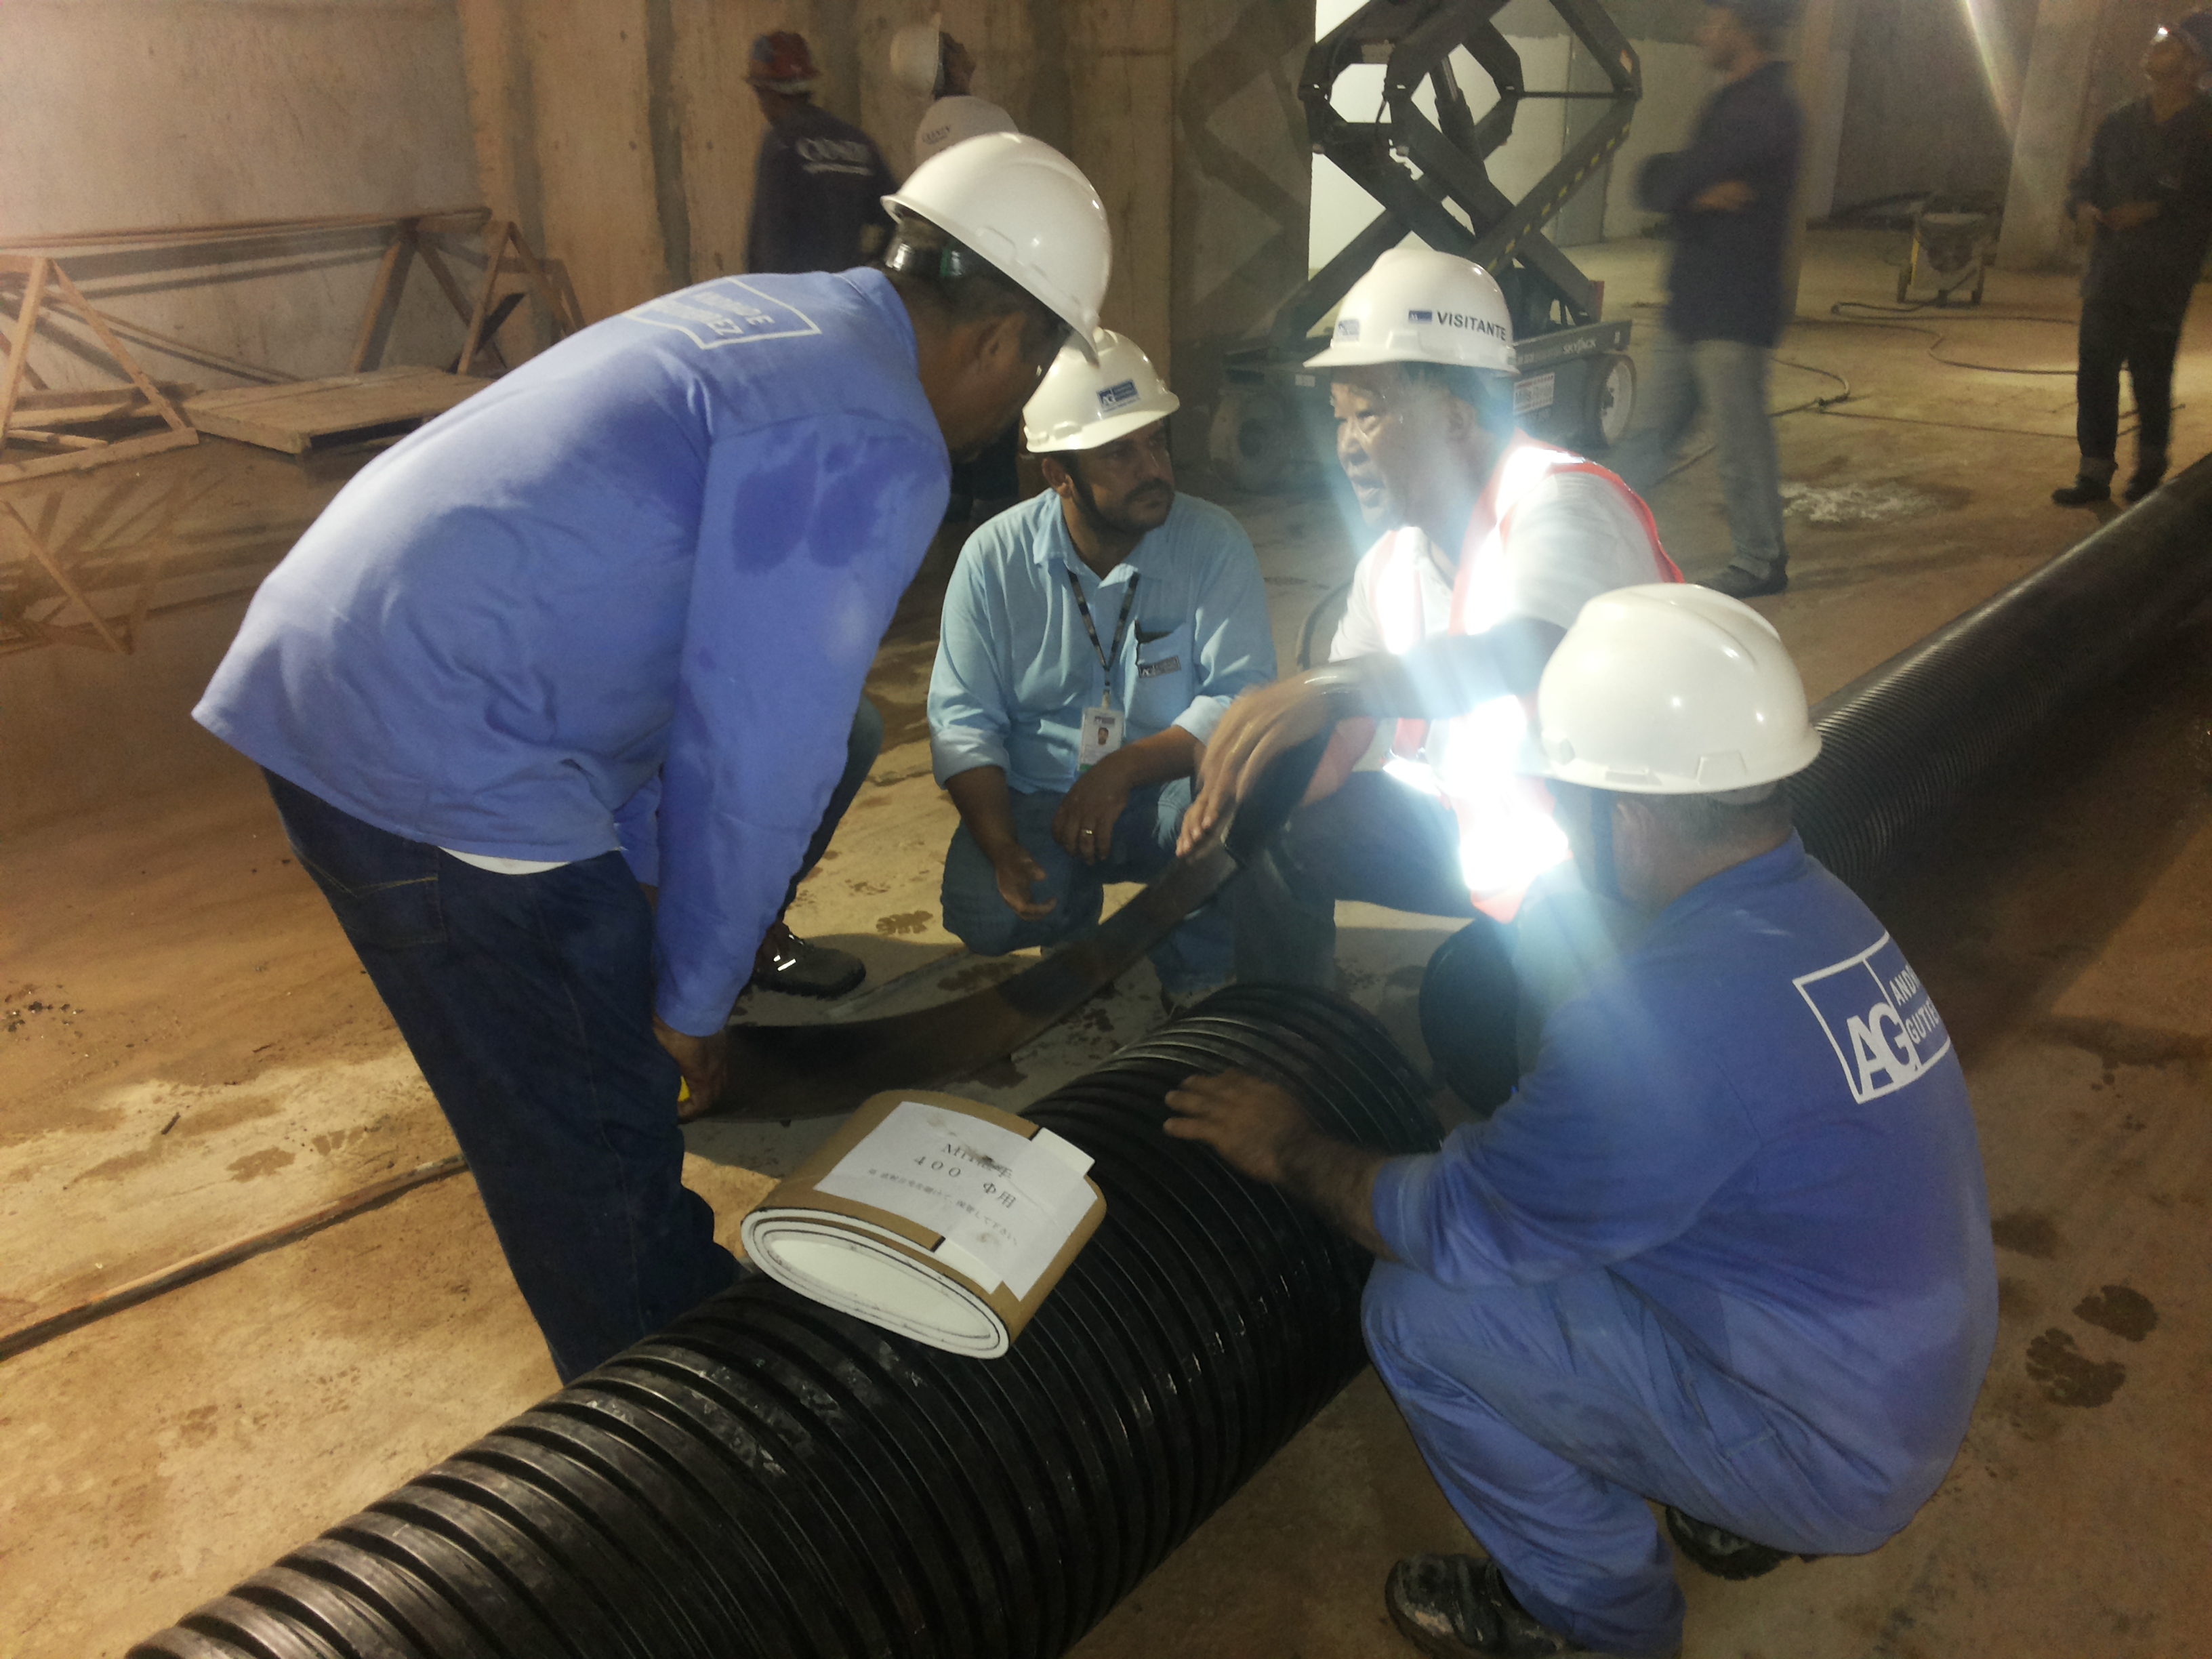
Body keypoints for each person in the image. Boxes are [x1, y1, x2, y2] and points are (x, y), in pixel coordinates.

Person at [193, 132, 1111, 1382]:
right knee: (598, 1161)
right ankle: (677, 1421)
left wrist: (644, 906)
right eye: (1033, 376)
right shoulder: (876, 430)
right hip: (442, 744)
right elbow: (755, 752)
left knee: (598, 1041)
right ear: (1006, 343)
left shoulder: (776, 315)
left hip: (347, 664)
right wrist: (689, 1002)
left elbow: (655, 655)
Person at [1166, 585, 1998, 1659]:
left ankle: (1600, 1625)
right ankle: (1725, 1501)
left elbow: (1454, 1222)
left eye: (1563, 794)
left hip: (1833, 1450)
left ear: (1630, 816)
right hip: (1894, 1381)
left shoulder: (1670, 1019)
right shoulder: (1814, 908)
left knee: (1423, 1310)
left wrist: (1286, 1143)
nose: (1554, 815)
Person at [1187, 247, 1678, 1026]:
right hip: (1481, 845)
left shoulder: (1561, 506)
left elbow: (1531, 648)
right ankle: (1288, 1042)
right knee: (1277, 829)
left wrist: (1330, 689)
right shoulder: (1391, 562)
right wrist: (1252, 791)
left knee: (1506, 1048)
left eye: (1370, 414)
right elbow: (1340, 739)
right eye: (1340, 418)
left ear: (1455, 418)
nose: (1346, 446)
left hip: (1611, 867)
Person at [929, 329, 1275, 1014]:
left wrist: (1122, 770)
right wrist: (1001, 844)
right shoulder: (993, 560)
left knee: (1231, 815)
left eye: (1156, 442)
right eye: (1120, 453)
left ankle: (1200, 976)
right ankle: (1070, 921)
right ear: (1058, 475)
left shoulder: (1212, 543)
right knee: (983, 908)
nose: (1154, 469)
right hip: (1040, 793)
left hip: (1164, 789)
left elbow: (1241, 694)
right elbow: (962, 719)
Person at [1614, 0, 1803, 599]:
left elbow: (1681, 177)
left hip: (1734, 308)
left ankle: (1761, 561)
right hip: (1692, 303)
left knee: (1741, 444)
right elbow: (1661, 180)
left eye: (1712, 23)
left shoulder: (1770, 109)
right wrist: (1692, 190)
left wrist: (1682, 186)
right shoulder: (1727, 104)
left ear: (1740, 28)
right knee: (1647, 436)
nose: (1702, 35)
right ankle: (1595, 533)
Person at [2053, 12, 2212, 507]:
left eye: (2170, 44)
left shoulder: (2206, 127)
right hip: (2110, 271)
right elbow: (2085, 182)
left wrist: (2155, 209)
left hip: (2164, 276)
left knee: (2150, 373)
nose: (2155, 47)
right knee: (2095, 371)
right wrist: (2082, 207)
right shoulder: (2120, 121)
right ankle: (2094, 472)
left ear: (2195, 65)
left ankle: (2150, 466)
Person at [744, 31, 899, 277]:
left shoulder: (782, 143)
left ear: (765, 91)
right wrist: (869, 269)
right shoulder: (857, 141)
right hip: (847, 289)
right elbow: (897, 219)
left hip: (801, 292)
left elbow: (769, 242)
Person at [890, 22, 1019, 168]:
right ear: (951, 62)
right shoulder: (988, 118)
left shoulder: (923, 134)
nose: (961, 44)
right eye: (953, 42)